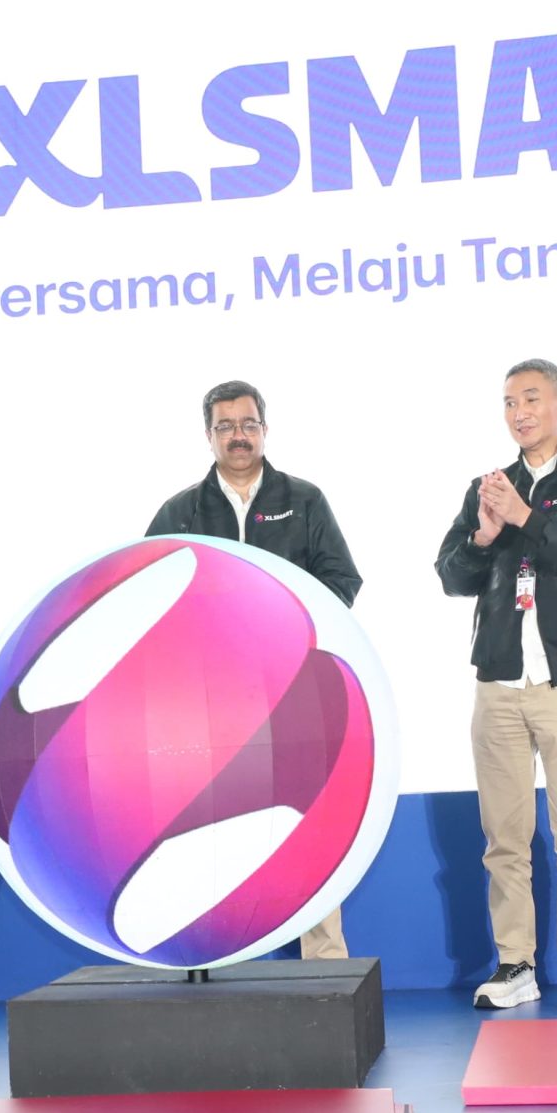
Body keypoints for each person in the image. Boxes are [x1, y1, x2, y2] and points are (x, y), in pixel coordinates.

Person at [146, 380, 364, 959]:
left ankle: (324, 966)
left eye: (247, 424)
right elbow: (149, 596)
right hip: (211, 709)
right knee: (207, 834)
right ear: (209, 435)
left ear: (265, 430)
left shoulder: (305, 500)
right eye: (225, 426)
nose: (238, 436)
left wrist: (287, 628)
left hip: (296, 695)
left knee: (311, 827)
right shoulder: (180, 512)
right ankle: (209, 962)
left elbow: (343, 580)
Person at [435, 358, 557, 1012]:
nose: (520, 412)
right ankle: (515, 962)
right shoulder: (486, 487)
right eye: (511, 401)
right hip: (500, 683)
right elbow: (452, 575)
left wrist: (526, 517)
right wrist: (484, 535)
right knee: (505, 837)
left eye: (532, 399)